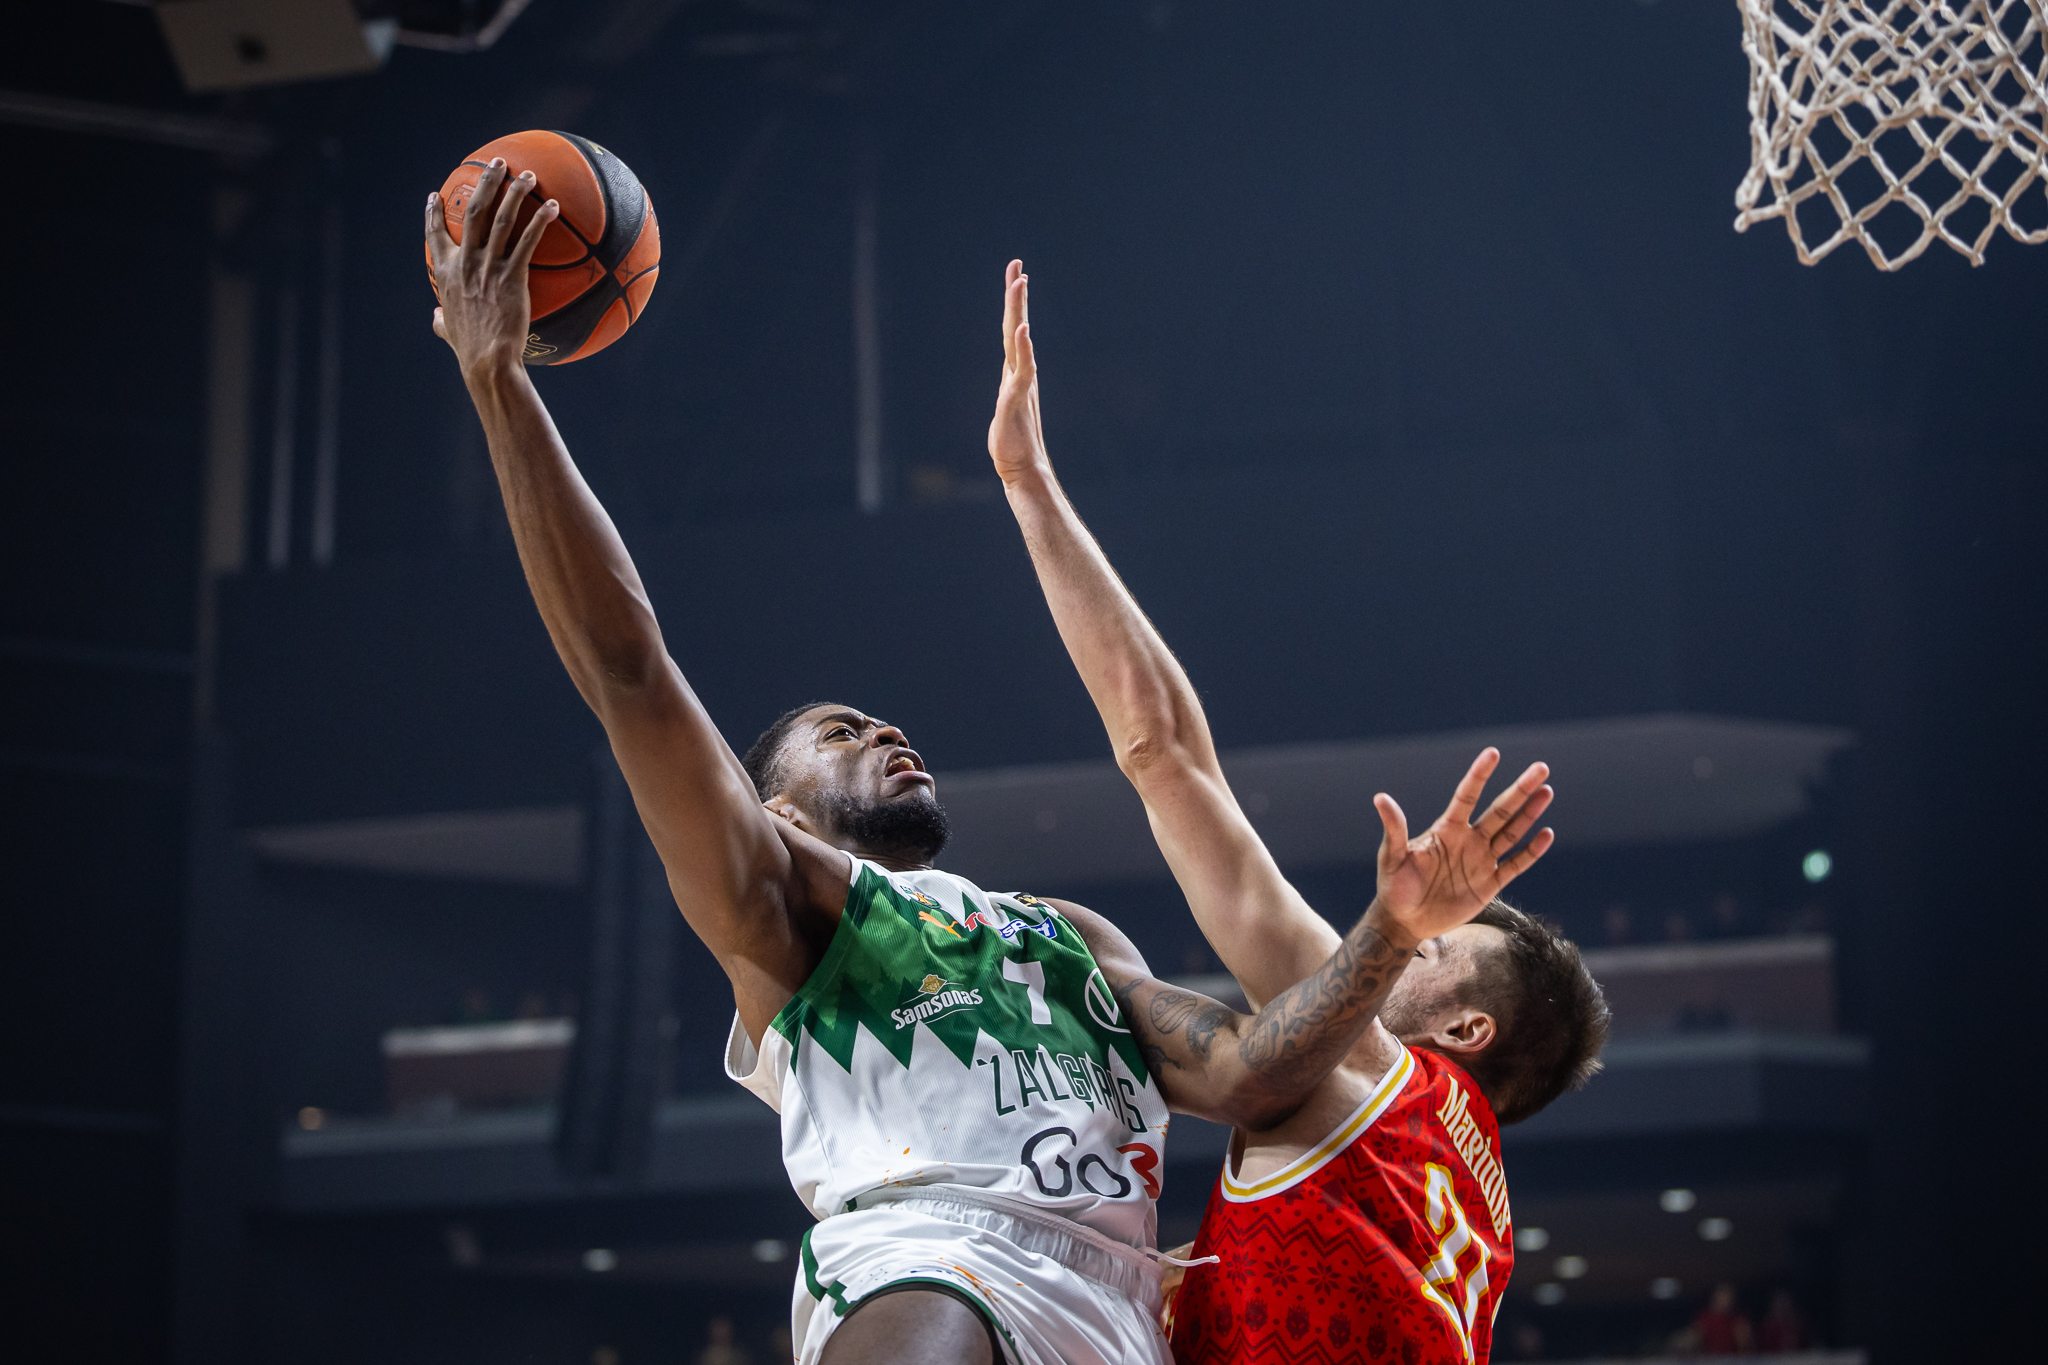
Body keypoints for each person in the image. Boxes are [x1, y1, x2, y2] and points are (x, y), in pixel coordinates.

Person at [425, 164, 1557, 1365]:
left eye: (879, 722)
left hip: (1119, 1311)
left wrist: (1386, 933)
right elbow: (629, 671)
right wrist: (499, 383)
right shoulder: (790, 908)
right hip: (931, 1247)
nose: (884, 732)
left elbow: (1240, 1074)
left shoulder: (1070, 938)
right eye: (840, 732)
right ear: (777, 812)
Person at [985, 259, 1611, 1365]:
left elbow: (1163, 753)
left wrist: (1030, 485)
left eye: (1433, 950)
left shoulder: (1375, 1076)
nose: (1395, 947)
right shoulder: (1479, 1220)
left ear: (1465, 1033)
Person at [1694, 1283, 1754, 1354]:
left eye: (1728, 1295)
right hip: (1709, 1358)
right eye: (1722, 1295)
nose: (1725, 1299)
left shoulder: (1738, 1319)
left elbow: (1746, 1347)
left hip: (1733, 1358)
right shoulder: (1704, 1318)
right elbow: (1695, 1342)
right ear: (1715, 1297)